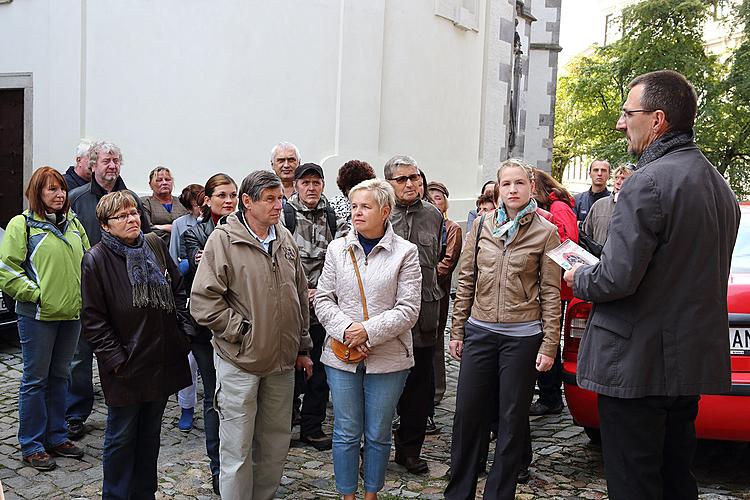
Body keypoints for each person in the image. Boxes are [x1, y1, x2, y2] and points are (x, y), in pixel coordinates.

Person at [563, 70, 740, 500]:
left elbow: (615, 278)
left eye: (628, 113)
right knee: (675, 476)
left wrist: (577, 276)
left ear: (657, 119)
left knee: (635, 483)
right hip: (682, 367)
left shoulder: (648, 181)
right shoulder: (719, 185)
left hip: (638, 365)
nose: (622, 123)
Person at [190, 170, 313, 500]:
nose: (278, 205)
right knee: (237, 449)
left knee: (274, 445)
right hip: (240, 362)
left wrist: (301, 345)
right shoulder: (223, 240)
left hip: (282, 364)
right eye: (269, 199)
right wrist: (241, 332)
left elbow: (299, 295)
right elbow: (203, 302)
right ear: (246, 202)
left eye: (280, 198)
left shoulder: (284, 237)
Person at [446, 159, 561, 500]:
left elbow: (551, 292)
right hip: (480, 331)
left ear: (531, 188)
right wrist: (457, 330)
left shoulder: (546, 232)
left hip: (522, 337)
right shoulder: (481, 226)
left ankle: (499, 493)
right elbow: (466, 279)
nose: (512, 189)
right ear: (498, 189)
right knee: (467, 415)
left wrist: (549, 344)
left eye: (519, 183)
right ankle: (458, 493)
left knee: (511, 421)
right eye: (506, 184)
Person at [315, 178, 422, 500]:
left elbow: (409, 308)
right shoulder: (337, 248)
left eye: (366, 206)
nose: (357, 212)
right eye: (354, 206)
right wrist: (348, 330)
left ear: (385, 211)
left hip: (389, 358)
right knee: (346, 431)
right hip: (341, 355)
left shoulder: (406, 252)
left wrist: (368, 332)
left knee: (377, 433)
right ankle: (348, 494)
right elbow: (323, 298)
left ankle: (371, 493)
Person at [82, 191, 192, 499]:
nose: (132, 219)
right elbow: (93, 319)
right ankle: (116, 495)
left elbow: (178, 290)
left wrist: (182, 335)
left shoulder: (154, 245)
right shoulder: (96, 259)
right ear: (105, 225)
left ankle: (145, 492)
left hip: (161, 358)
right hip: (126, 366)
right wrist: (117, 359)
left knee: (150, 435)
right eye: (122, 216)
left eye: (134, 213)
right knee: (121, 437)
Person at [0, 166, 90, 471]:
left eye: (61, 188)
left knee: (60, 378)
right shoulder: (22, 225)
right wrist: (37, 294)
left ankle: (56, 435)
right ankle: (32, 443)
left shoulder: (74, 224)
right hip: (38, 316)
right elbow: (7, 270)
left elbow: (88, 263)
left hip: (71, 316)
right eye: (51, 189)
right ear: (36, 193)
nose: (59, 194)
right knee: (35, 380)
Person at [66, 141, 151, 441]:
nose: (112, 166)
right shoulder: (76, 199)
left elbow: (147, 235)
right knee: (80, 354)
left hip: (126, 292)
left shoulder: (131, 200)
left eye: (116, 161)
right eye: (106, 161)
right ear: (92, 165)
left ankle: (131, 399)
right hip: (86, 286)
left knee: (124, 350)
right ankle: (75, 412)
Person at [385, 155, 444, 474]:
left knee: (419, 389)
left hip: (424, 315)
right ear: (389, 184)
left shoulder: (434, 214)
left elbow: (436, 260)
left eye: (415, 177)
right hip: (387, 316)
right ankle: (376, 448)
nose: (411, 184)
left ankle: (410, 450)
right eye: (402, 179)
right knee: (382, 387)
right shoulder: (380, 213)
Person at [283, 163, 347, 451]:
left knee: (320, 372)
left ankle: (312, 426)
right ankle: (283, 428)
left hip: (324, 307)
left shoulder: (334, 216)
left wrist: (321, 291)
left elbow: (344, 260)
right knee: (288, 372)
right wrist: (299, 290)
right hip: (291, 308)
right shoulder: (284, 216)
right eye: (305, 182)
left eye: (316, 182)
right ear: (296, 185)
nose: (311, 187)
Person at [182, 173, 238, 495]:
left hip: (238, 325)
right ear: (208, 199)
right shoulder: (195, 231)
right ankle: (217, 467)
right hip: (204, 329)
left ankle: (238, 462)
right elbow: (198, 265)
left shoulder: (246, 230)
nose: (228, 201)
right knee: (214, 394)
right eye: (221, 195)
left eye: (232, 195)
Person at [529, 168, 578, 417]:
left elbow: (567, 244)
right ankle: (548, 393)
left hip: (557, 286)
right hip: (553, 285)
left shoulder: (558, 209)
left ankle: (551, 397)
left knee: (548, 341)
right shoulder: (557, 207)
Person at [165, 183, 204, 434]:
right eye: (197, 203)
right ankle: (186, 409)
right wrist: (190, 261)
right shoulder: (182, 225)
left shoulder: (225, 223)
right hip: (191, 294)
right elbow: (173, 263)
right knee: (189, 360)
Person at [425, 181, 463, 428]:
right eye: (431, 197)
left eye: (439, 197)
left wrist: (425, 277)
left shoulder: (452, 228)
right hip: (418, 291)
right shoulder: (425, 225)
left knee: (436, 339)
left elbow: (448, 261)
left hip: (438, 290)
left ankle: (437, 389)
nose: (435, 201)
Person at [581, 165, 633, 245]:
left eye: (623, 179)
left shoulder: (634, 208)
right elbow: (585, 235)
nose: (618, 182)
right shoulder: (599, 205)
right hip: (596, 256)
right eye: (616, 178)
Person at [140, 166, 189, 244]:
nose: (164, 183)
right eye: (159, 180)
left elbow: (190, 227)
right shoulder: (145, 202)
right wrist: (169, 228)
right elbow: (147, 229)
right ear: (150, 184)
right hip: (156, 247)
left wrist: (159, 226)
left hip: (183, 247)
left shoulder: (182, 202)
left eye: (168, 179)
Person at [168, 183, 204, 270]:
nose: (202, 207)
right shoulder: (179, 223)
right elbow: (173, 254)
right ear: (189, 209)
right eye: (196, 205)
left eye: (203, 202)